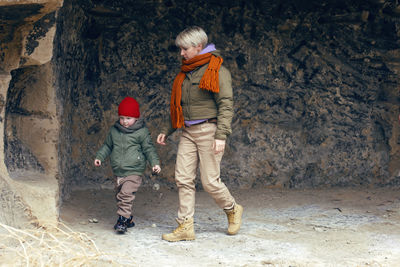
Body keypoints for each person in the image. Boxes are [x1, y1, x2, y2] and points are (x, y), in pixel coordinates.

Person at [157, 26, 243, 242]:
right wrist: (167, 130)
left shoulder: (217, 70)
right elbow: (180, 105)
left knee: (210, 182)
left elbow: (225, 104)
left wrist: (221, 135)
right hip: (187, 131)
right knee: (183, 179)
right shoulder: (186, 71)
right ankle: (185, 226)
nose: (182, 53)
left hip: (208, 130)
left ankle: (233, 209)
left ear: (198, 47)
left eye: (185, 49)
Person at [94, 96, 161, 234]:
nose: (125, 121)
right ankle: (128, 218)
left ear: (136, 118)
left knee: (125, 194)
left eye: (128, 118)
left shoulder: (141, 132)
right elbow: (107, 145)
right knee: (120, 196)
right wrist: (100, 157)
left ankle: (122, 221)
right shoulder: (114, 131)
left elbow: (149, 149)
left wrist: (155, 163)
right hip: (119, 171)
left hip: (134, 170)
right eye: (122, 118)